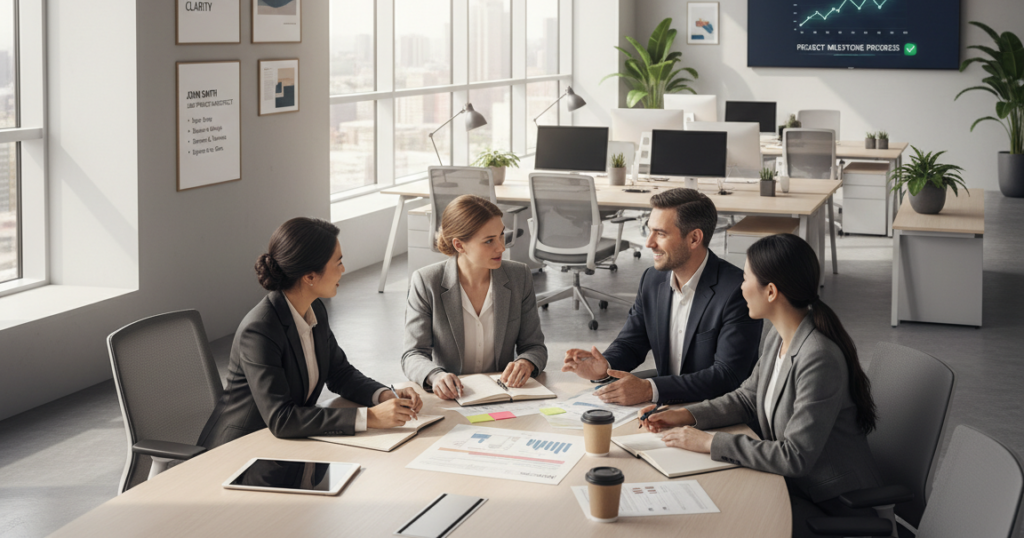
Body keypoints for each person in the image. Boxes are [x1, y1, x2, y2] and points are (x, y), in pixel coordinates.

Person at [640, 233, 882, 537]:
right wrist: (685, 415)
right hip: (791, 486)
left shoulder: (818, 357)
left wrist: (708, 442)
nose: (740, 287)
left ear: (770, 292)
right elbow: (747, 398)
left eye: (745, 278)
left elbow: (795, 456)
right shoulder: (780, 336)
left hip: (830, 503)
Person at [199, 217, 422, 449]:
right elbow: (282, 419)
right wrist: (372, 418)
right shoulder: (260, 330)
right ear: (310, 277)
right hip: (238, 450)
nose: (343, 270)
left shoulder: (314, 309)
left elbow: (340, 373)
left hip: (285, 445)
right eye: (338, 263)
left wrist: (384, 396)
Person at [562, 188, 762, 406]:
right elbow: (632, 342)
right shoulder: (652, 280)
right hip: (666, 406)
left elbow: (727, 376)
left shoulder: (736, 291)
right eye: (649, 231)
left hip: (715, 411)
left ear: (694, 238)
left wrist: (650, 390)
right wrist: (605, 366)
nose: (649, 243)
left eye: (661, 233)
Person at [402, 195, 548, 399]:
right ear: (459, 245)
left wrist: (526, 362)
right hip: (453, 397)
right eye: (489, 241)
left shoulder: (519, 276)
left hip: (503, 395)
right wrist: (435, 376)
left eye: (501, 235)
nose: (501, 247)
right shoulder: (427, 282)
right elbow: (413, 354)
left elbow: (534, 346)